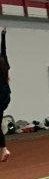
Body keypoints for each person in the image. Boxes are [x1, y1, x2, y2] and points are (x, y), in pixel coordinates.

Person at [0, 28, 10, 161]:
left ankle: (4, 149)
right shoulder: (5, 64)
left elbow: (3, 50)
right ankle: (3, 149)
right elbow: (4, 50)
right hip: (5, 96)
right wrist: (3, 36)